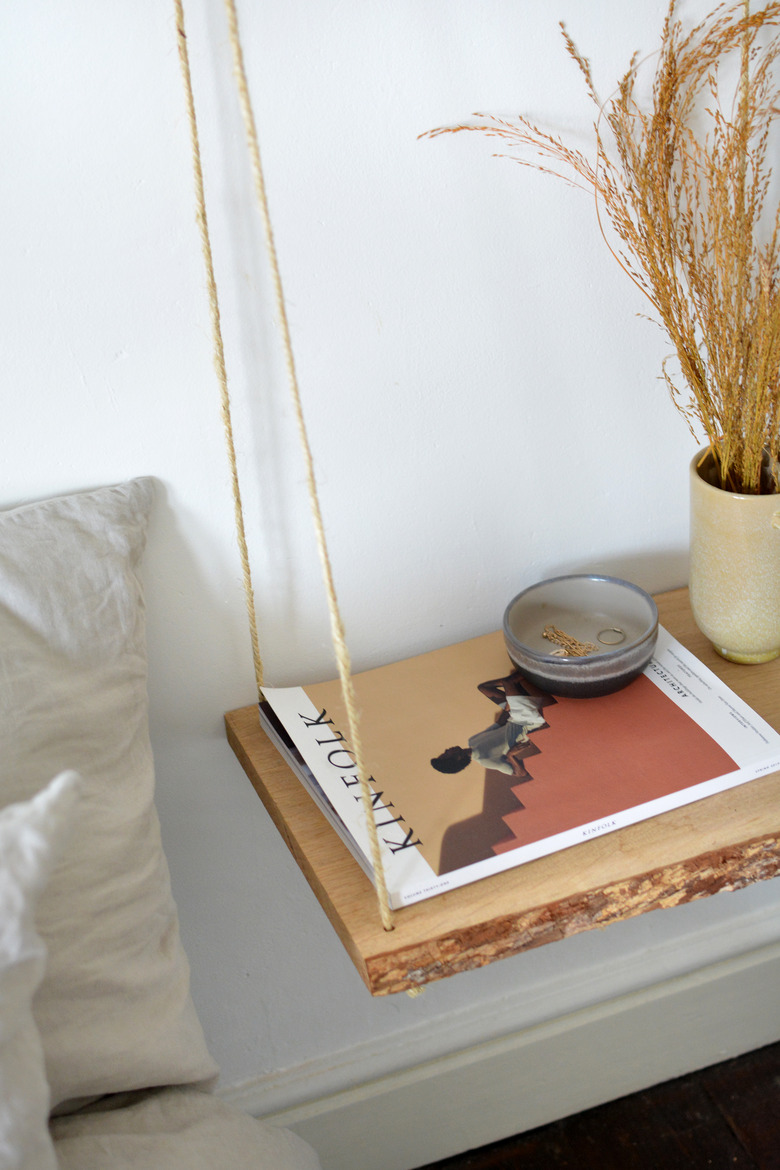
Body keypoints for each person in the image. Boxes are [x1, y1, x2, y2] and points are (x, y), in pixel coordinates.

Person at [431, 670, 554, 779]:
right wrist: (510, 755)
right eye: (446, 754)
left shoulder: (472, 741)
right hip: (530, 721)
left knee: (484, 688)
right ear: (457, 758)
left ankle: (527, 677)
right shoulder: (485, 760)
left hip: (516, 716)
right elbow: (521, 774)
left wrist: (507, 707)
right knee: (508, 683)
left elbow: (500, 723)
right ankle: (537, 669)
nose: (447, 750)